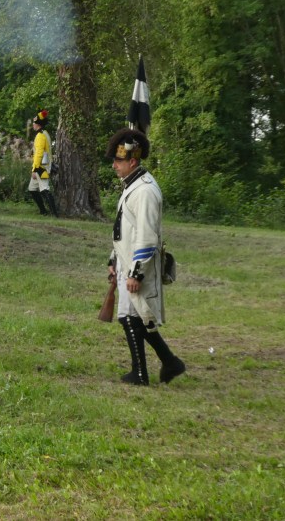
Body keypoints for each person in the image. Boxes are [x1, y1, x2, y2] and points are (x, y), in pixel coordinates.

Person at [106, 128, 185, 386]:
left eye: (119, 160)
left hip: (138, 266)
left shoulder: (145, 191)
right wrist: (114, 260)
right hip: (127, 263)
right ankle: (167, 363)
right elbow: (126, 230)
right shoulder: (134, 186)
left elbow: (147, 236)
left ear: (132, 161)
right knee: (133, 316)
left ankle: (142, 373)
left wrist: (136, 273)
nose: (114, 165)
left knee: (133, 316)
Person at [28, 109, 58, 217]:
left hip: (41, 167)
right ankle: (43, 211)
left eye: (34, 122)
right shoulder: (44, 133)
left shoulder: (40, 135)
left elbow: (39, 154)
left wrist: (34, 169)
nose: (33, 124)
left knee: (45, 189)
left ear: (38, 124)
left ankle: (54, 214)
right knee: (32, 189)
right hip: (41, 166)